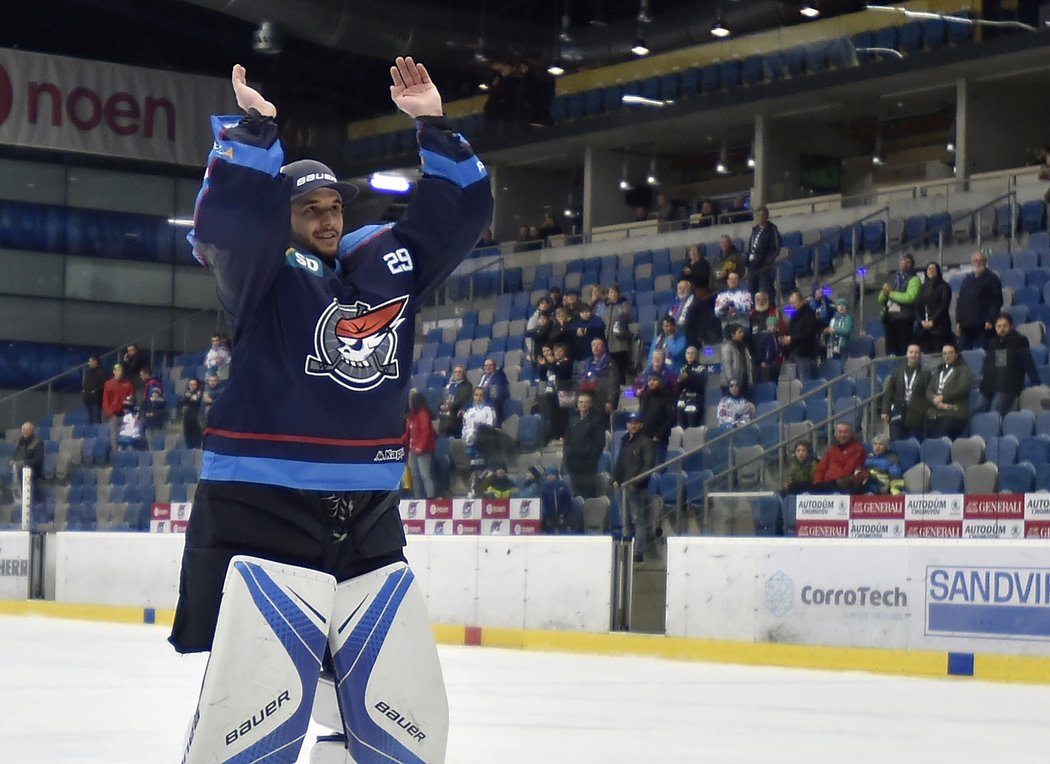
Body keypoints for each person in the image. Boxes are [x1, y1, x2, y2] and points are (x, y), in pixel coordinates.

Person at [169, 58, 492, 764]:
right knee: (253, 717)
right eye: (307, 208)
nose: (324, 217)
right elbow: (227, 224)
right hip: (263, 507)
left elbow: (460, 216)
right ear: (279, 219)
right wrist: (254, 133)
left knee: (398, 719)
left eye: (333, 206)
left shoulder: (387, 265)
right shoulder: (261, 274)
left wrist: (433, 125)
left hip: (370, 514)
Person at [975, 313, 1040, 417]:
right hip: (990, 384)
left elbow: (1028, 362)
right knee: (978, 408)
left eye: (1005, 326)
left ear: (1011, 326)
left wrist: (1036, 381)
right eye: (998, 326)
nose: (1001, 329)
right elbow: (987, 364)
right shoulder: (992, 341)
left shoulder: (1019, 340)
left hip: (1009, 385)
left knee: (995, 408)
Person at [612, 413, 655, 563]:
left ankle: (638, 553)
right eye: (630, 423)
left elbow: (648, 466)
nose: (633, 425)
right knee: (625, 520)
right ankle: (627, 550)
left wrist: (635, 482)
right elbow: (619, 463)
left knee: (638, 520)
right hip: (622, 487)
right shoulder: (624, 440)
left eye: (636, 422)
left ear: (641, 425)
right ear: (626, 425)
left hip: (637, 488)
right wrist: (615, 479)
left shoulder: (646, 442)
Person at [561, 391, 607, 499]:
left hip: (588, 466)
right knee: (576, 495)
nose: (583, 405)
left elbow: (600, 442)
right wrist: (567, 456)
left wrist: (590, 459)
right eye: (581, 402)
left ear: (590, 404)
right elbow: (567, 440)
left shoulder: (597, 421)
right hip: (573, 464)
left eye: (586, 402)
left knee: (588, 495)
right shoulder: (572, 420)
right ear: (577, 404)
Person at [955, 251, 1004, 351]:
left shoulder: (992, 278)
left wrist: (991, 320)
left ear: (985, 262)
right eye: (975, 261)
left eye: (980, 260)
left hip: (984, 325)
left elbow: (997, 300)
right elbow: (960, 301)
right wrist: (958, 321)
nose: (977, 263)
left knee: (984, 354)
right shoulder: (967, 280)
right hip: (966, 325)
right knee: (963, 354)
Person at [880, 344, 929, 442]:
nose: (913, 355)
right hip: (898, 411)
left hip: (917, 414)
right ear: (907, 354)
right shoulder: (898, 371)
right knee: (896, 442)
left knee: (914, 442)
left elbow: (929, 393)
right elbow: (889, 391)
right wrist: (885, 410)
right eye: (911, 352)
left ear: (920, 355)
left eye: (916, 353)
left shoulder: (925, 373)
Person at [925, 342, 974, 439]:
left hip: (955, 411)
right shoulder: (939, 370)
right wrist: (935, 399)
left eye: (950, 353)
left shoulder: (963, 369)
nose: (947, 356)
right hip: (937, 411)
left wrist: (943, 397)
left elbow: (962, 388)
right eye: (945, 353)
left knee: (942, 429)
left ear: (956, 354)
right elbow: (929, 391)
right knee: (926, 427)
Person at [879, 254, 921, 356]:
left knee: (903, 350)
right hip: (890, 318)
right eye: (903, 261)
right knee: (890, 351)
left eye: (908, 262)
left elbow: (909, 297)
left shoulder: (914, 279)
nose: (904, 263)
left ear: (912, 265)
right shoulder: (894, 277)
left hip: (904, 319)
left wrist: (891, 294)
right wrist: (885, 293)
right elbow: (881, 299)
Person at [812, 422, 867, 493]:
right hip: (826, 485)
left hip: (843, 486)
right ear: (836, 434)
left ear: (851, 434)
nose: (843, 435)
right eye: (840, 432)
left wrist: (833, 479)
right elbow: (821, 468)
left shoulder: (858, 449)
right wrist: (817, 482)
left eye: (845, 432)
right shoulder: (832, 450)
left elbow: (849, 469)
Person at [403, 391, 437, 500]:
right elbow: (407, 433)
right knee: (414, 475)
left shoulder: (423, 414)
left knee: (424, 474)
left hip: (423, 450)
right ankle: (417, 497)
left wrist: (420, 447)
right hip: (412, 449)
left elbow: (425, 432)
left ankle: (430, 496)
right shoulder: (411, 416)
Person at [915, 262, 953, 354]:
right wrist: (921, 321)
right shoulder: (922, 287)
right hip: (924, 330)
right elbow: (917, 307)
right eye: (929, 269)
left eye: (933, 269)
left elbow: (944, 305)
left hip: (939, 328)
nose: (931, 271)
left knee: (938, 354)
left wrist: (933, 320)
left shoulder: (944, 286)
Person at [578, 337, 620, 422]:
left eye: (598, 345)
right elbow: (580, 380)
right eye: (593, 345)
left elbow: (613, 384)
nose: (595, 347)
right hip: (588, 400)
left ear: (604, 348)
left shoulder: (610, 364)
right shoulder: (587, 363)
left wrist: (610, 401)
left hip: (602, 400)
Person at [639, 372, 676, 463]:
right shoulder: (645, 396)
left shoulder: (667, 396)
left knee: (659, 466)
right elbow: (641, 414)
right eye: (649, 380)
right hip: (645, 437)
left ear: (660, 382)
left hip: (659, 439)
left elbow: (670, 418)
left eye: (654, 380)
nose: (651, 382)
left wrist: (659, 435)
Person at [782, 290, 819, 380]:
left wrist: (792, 339)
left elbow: (808, 333)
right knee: (792, 383)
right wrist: (786, 339)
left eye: (794, 303)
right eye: (791, 303)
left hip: (804, 354)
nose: (792, 306)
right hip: (792, 352)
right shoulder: (794, 314)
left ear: (801, 301)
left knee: (804, 381)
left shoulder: (809, 314)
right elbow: (790, 330)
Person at [745, 206, 781, 297]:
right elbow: (751, 246)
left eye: (762, 215)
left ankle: (770, 307)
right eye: (758, 216)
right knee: (751, 289)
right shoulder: (755, 229)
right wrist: (747, 260)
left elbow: (776, 248)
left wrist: (767, 261)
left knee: (766, 289)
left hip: (764, 265)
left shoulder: (771, 229)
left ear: (767, 216)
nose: (760, 218)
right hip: (752, 264)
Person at [604, 284, 634, 385]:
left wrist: (623, 314)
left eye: (615, 292)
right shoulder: (606, 307)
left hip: (620, 343)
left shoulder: (624, 304)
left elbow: (629, 318)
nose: (613, 294)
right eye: (611, 292)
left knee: (620, 369)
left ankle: (623, 389)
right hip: (608, 342)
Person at [102, 363, 135, 448]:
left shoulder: (128, 383)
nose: (120, 372)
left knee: (127, 433)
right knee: (114, 434)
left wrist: (130, 402)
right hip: (114, 413)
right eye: (118, 371)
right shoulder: (108, 384)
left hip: (125, 412)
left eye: (121, 371)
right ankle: (115, 452)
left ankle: (128, 453)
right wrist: (109, 412)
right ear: (114, 372)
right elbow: (106, 400)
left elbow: (131, 396)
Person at [462, 387, 497, 465]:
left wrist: (478, 429)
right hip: (470, 441)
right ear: (473, 397)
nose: (478, 398)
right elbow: (465, 427)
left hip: (484, 440)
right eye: (476, 395)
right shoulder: (469, 411)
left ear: (484, 397)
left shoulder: (489, 410)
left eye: (481, 395)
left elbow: (490, 426)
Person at [541, 465, 580, 533]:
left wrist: (563, 513)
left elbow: (567, 502)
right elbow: (544, 503)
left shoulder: (563, 486)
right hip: (550, 518)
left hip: (562, 517)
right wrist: (547, 516)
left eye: (552, 474)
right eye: (548, 475)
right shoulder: (545, 488)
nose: (550, 477)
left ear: (556, 475)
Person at [10, 421, 43, 502]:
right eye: (23, 430)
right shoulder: (20, 441)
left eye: (27, 430)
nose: (25, 432)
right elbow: (16, 453)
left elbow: (39, 460)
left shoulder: (38, 443)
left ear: (32, 431)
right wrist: (13, 460)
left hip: (33, 473)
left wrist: (24, 462)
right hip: (19, 471)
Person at [714, 271, 753, 337]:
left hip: (742, 326)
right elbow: (717, 312)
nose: (733, 281)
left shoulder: (745, 294)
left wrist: (734, 305)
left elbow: (748, 308)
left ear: (739, 281)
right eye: (731, 279)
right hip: (727, 327)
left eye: (735, 279)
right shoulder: (721, 296)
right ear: (727, 281)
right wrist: (724, 309)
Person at [438, 364, 473, 437]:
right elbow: (444, 398)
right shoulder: (451, 386)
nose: (457, 373)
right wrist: (441, 406)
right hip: (445, 418)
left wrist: (449, 406)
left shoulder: (467, 385)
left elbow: (462, 399)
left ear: (463, 374)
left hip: (456, 418)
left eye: (460, 372)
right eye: (456, 372)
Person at [720, 323, 754, 398]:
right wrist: (732, 383)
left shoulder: (744, 347)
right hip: (731, 386)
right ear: (733, 334)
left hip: (743, 384)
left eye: (743, 332)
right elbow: (727, 366)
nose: (742, 334)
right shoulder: (727, 347)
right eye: (740, 332)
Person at [676, 346, 707, 429]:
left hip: (696, 397)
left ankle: (692, 437)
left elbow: (701, 384)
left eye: (692, 353)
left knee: (690, 410)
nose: (690, 355)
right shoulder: (683, 369)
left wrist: (688, 377)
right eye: (688, 353)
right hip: (685, 396)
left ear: (696, 355)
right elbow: (680, 385)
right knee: (679, 405)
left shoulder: (701, 368)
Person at [476, 358, 510, 424]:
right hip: (480, 405)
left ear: (494, 367)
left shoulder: (499, 376)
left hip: (493, 406)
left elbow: (495, 396)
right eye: (486, 365)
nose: (488, 367)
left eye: (490, 365)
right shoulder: (483, 378)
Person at [754, 316, 783, 384]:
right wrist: (761, 361)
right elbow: (759, 349)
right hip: (766, 364)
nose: (773, 327)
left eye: (774, 326)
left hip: (774, 363)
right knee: (767, 382)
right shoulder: (764, 335)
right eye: (770, 325)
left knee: (774, 381)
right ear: (767, 326)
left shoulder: (776, 336)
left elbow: (778, 349)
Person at [81, 355, 107, 425]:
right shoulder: (88, 372)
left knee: (96, 418)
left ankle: (97, 434)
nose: (89, 363)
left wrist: (96, 391)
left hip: (96, 399)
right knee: (88, 419)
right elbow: (85, 382)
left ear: (95, 362)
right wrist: (83, 390)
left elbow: (105, 384)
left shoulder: (102, 371)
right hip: (87, 398)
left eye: (90, 361)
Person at [180, 377, 204, 449]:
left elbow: (197, 401)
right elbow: (183, 401)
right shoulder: (187, 392)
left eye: (194, 384)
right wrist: (189, 398)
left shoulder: (200, 392)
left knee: (196, 436)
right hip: (187, 417)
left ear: (197, 385)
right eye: (190, 384)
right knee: (187, 434)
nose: (192, 386)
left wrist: (190, 398)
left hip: (197, 416)